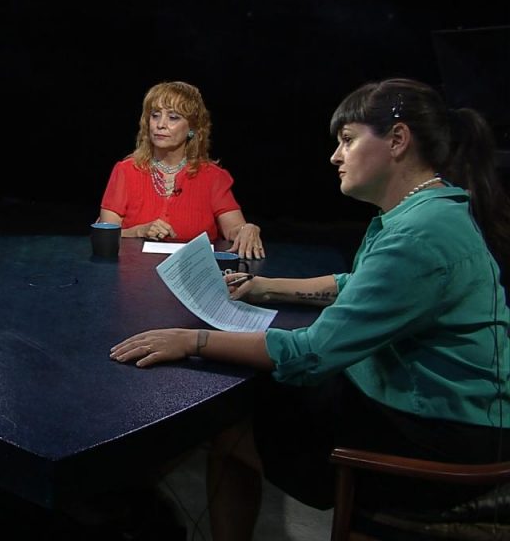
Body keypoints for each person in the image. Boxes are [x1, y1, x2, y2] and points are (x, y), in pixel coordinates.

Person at [109, 78, 510, 540]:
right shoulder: (424, 213)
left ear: (397, 141)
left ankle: (130, 500)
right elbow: (357, 285)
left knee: (232, 422)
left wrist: (190, 340)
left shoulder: (419, 235)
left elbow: (311, 354)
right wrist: (267, 288)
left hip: (443, 435)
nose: (335, 157)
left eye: (347, 140)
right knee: (243, 409)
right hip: (448, 413)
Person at [97, 81, 265, 259]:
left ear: (192, 128)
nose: (160, 124)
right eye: (155, 115)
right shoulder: (126, 170)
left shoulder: (213, 177)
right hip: (131, 274)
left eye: (173, 117)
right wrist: (139, 230)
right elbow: (105, 233)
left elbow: (234, 229)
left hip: (191, 276)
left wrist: (248, 229)